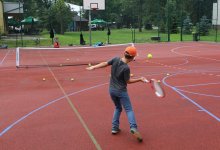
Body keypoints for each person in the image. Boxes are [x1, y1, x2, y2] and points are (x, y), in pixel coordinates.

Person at [86, 46, 149, 142]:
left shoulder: (115, 59)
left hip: (111, 90)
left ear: (124, 53)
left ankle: (115, 128)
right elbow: (128, 81)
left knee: (118, 107)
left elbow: (105, 63)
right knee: (129, 109)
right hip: (121, 91)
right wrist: (140, 79)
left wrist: (94, 67)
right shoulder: (126, 68)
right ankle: (133, 127)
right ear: (132, 58)